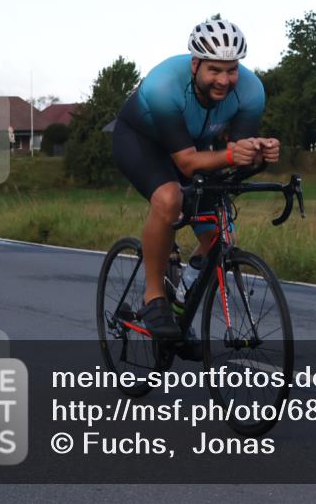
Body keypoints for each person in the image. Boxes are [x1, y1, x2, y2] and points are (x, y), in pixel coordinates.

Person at [111, 18, 279, 339]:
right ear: (195, 64)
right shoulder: (163, 85)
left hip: (194, 147)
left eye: (231, 70)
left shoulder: (251, 91)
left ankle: (180, 305)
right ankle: (153, 297)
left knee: (220, 233)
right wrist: (232, 155)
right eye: (214, 70)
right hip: (141, 141)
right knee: (169, 199)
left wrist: (259, 152)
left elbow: (237, 154)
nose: (224, 80)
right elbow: (187, 164)